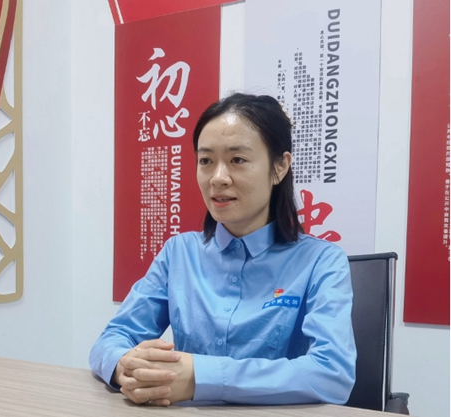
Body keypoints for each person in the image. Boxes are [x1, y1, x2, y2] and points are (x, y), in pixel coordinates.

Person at [89, 93, 356, 407]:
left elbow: (332, 373)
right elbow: (113, 338)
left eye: (237, 160)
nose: (218, 178)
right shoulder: (179, 253)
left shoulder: (322, 262)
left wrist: (200, 376)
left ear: (280, 166)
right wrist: (125, 366)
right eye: (206, 161)